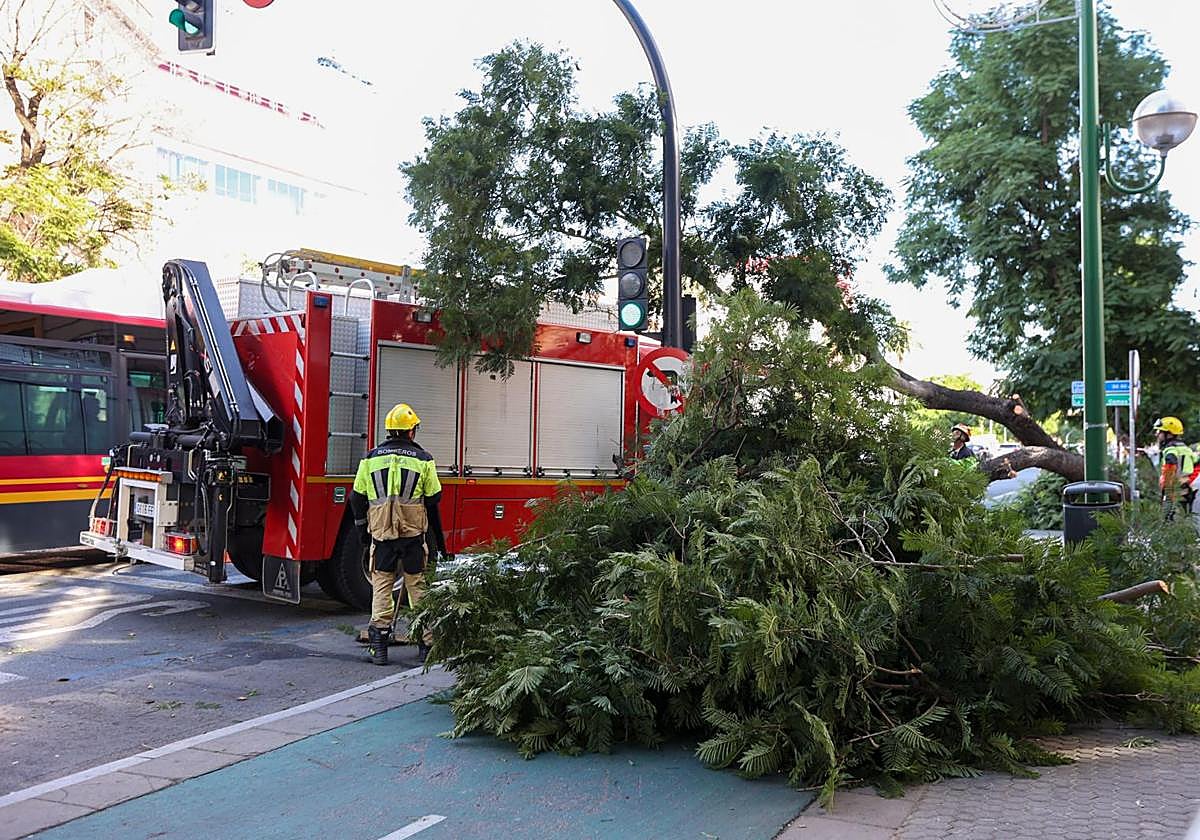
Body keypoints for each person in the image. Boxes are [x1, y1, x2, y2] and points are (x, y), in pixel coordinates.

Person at [350, 403, 445, 665]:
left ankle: (379, 648)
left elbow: (356, 498)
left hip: (381, 536)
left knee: (381, 587)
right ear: (411, 431)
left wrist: (363, 533)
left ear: (390, 430)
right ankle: (427, 646)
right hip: (413, 536)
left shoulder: (370, 459)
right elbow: (434, 498)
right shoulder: (423, 459)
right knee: (418, 588)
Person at [1153, 416, 1198, 520]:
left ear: (1169, 434)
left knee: (1169, 523)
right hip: (1187, 491)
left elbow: (1170, 467)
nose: (1157, 434)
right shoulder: (1186, 449)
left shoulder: (1171, 450)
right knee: (1186, 520)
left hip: (1174, 493)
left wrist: (1166, 489)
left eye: (1159, 432)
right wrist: (1188, 480)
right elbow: (1195, 467)